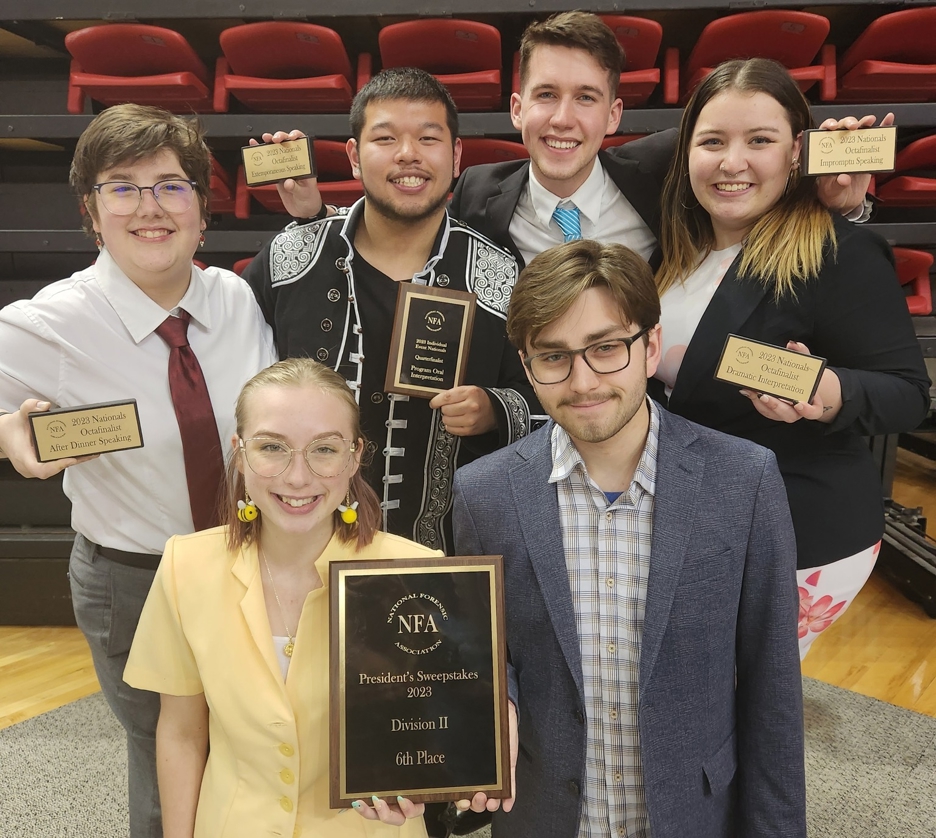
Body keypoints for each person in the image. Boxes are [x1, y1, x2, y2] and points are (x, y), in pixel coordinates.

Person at [452, 240, 806, 838]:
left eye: (606, 348)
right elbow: (488, 653)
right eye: (553, 357)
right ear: (526, 364)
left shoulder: (744, 480)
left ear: (649, 348)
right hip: (548, 817)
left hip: (693, 815)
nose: (582, 381)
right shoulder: (483, 492)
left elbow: (772, 689)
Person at [0, 104, 276, 837]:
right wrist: (6, 431)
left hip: (251, 565)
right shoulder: (49, 323)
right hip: (137, 582)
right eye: (122, 187)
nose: (150, 207)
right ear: (91, 212)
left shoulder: (236, 300)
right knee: (170, 764)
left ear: (202, 209)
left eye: (171, 185)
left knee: (253, 750)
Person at [653, 58, 930, 658]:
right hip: (704, 519)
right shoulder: (673, 253)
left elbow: (908, 395)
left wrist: (824, 393)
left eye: (760, 141)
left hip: (799, 527)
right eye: (713, 141)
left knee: (747, 706)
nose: (733, 162)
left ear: (796, 153)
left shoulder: (841, 250)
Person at [123, 359, 442, 838]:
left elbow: (435, 730)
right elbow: (182, 735)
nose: (298, 477)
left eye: (324, 450)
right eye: (272, 447)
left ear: (355, 457)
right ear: (239, 452)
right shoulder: (185, 567)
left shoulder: (417, 574)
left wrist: (425, 784)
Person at [241, 68, 537, 555]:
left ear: (457, 156)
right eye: (385, 138)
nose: (408, 154)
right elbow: (227, 372)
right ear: (354, 157)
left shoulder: (499, 277)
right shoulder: (290, 260)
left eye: (428, 137)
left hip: (443, 555)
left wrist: (493, 408)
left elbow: (548, 396)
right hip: (300, 551)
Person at [449, 11, 887, 270]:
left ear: (613, 115)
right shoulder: (477, 191)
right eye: (546, 95)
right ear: (517, 109)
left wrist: (844, 204)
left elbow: (756, 180)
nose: (563, 119)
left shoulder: (668, 166)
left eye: (586, 97)